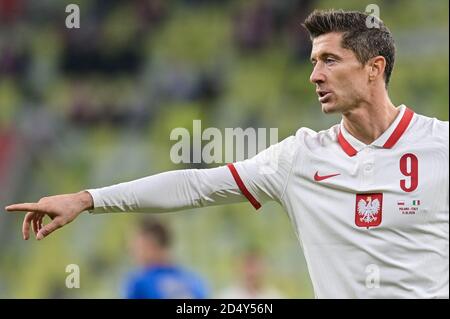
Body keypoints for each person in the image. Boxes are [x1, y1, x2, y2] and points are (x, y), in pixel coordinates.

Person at [5, 10, 448, 298]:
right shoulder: (299, 158)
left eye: (329, 60)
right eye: (313, 61)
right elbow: (195, 184)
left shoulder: (440, 146)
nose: (314, 75)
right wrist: (88, 198)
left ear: (375, 68)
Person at [123, 217, 208, 299]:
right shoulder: (194, 280)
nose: (131, 251)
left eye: (137, 246)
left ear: (150, 246)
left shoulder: (140, 283)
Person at [216, 249, 284, 299]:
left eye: (255, 266)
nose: (251, 272)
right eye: (248, 266)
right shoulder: (226, 296)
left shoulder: (274, 296)